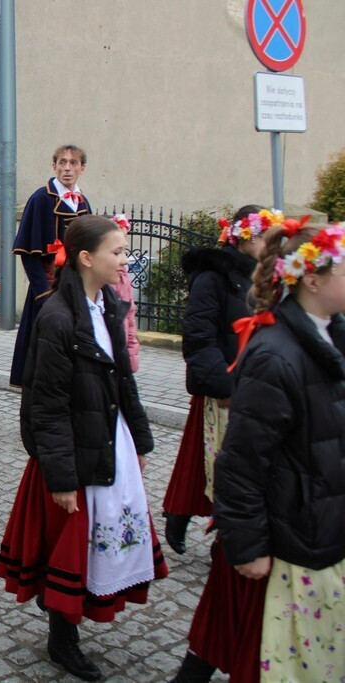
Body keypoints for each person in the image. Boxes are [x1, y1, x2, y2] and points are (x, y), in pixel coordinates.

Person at [174, 220, 345, 683]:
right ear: (311, 277)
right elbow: (242, 463)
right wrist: (248, 542)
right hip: (287, 532)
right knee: (253, 646)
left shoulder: (331, 336)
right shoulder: (276, 353)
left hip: (317, 522)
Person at [0, 215, 165, 681]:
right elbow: (45, 406)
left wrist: (141, 438)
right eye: (117, 251)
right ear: (87, 258)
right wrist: (62, 477)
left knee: (97, 542)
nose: (124, 260)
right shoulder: (57, 316)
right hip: (72, 452)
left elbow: (123, 379)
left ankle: (73, 623)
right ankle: (62, 640)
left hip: (109, 440)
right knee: (67, 548)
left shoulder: (108, 303)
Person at [162, 205, 268, 556]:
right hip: (221, 389)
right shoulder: (213, 276)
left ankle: (223, 532)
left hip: (253, 389)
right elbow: (198, 336)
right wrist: (224, 386)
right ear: (245, 236)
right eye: (264, 235)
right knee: (203, 463)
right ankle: (183, 515)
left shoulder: (263, 277)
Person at [10, 145, 92, 386]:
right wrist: (43, 295)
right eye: (62, 162)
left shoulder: (83, 202)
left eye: (73, 163)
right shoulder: (40, 198)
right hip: (48, 289)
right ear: (54, 166)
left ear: (82, 168)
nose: (67, 168)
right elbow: (28, 252)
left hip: (76, 287)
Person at [110, 214, 140, 372]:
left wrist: (132, 350)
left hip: (122, 350)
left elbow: (130, 314)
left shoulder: (123, 277)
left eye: (124, 251)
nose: (125, 260)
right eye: (116, 252)